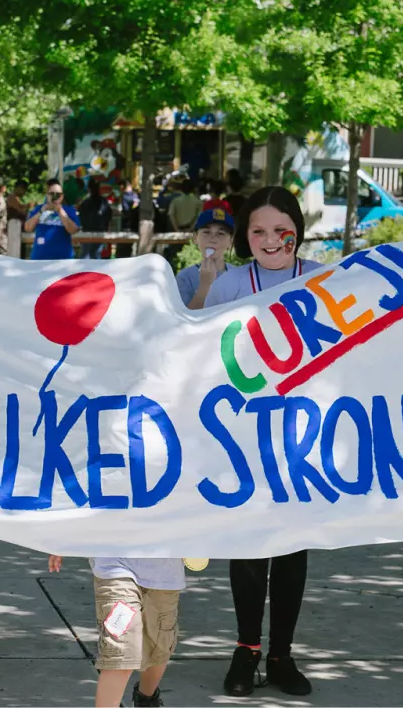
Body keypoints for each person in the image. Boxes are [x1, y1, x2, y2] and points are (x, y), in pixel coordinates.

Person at [204, 186, 321, 699]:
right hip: (244, 438)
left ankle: (281, 655)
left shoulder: (324, 278)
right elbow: (200, 358)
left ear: (298, 228)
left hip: (303, 436)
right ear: (244, 236)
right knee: (249, 548)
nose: (271, 240)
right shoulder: (230, 284)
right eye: (257, 231)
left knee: (292, 550)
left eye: (281, 230)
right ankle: (245, 649)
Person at [48, 552, 181, 708]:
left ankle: (146, 701)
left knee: (159, 646)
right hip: (115, 565)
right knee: (122, 650)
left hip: (166, 572)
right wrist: (60, 542)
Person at [178, 208, 234, 309]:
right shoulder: (185, 278)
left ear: (230, 242)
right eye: (206, 232)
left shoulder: (238, 275)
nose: (213, 239)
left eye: (220, 234)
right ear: (195, 237)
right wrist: (205, 286)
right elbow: (183, 319)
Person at [25, 178, 80, 260]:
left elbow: (73, 230)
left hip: (63, 260)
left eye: (58, 194)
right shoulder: (39, 209)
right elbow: (28, 228)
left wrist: (60, 211)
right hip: (39, 259)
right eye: (52, 194)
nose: (55, 197)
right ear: (47, 195)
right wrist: (41, 211)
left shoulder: (69, 210)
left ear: (62, 196)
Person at [78, 177, 112, 259]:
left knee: (85, 256)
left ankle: (84, 272)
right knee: (96, 255)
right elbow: (109, 218)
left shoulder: (85, 202)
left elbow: (81, 218)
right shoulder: (104, 202)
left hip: (86, 233)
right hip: (99, 233)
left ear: (89, 188)